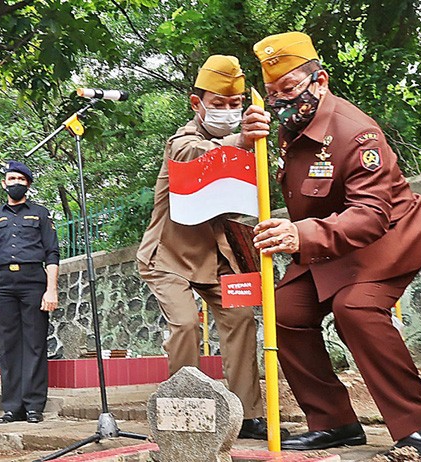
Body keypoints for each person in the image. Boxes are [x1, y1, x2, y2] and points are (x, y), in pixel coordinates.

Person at [250, 32, 421, 458]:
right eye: (272, 93)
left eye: (289, 89)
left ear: (319, 81)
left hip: (387, 239)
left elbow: (371, 214)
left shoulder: (355, 132)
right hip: (330, 243)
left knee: (355, 309)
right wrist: (246, 140)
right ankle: (333, 423)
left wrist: (299, 235)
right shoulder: (291, 125)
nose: (281, 101)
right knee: (283, 311)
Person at [136, 55, 284, 440]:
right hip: (168, 258)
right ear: (195, 103)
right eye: (218, 104)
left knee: (241, 321)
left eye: (234, 105)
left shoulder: (253, 148)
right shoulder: (181, 142)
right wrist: (240, 140)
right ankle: (184, 411)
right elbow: (196, 156)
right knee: (185, 323)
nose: (227, 111)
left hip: (221, 257)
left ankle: (246, 414)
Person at [0, 161, 59, 424]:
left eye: (21, 179)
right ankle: (12, 407)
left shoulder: (41, 214)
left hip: (33, 282)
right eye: (11, 178)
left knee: (34, 344)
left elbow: (52, 254)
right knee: (8, 345)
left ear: (28, 185)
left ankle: (34, 406)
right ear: (3, 183)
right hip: (2, 285)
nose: (15, 183)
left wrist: (51, 290)